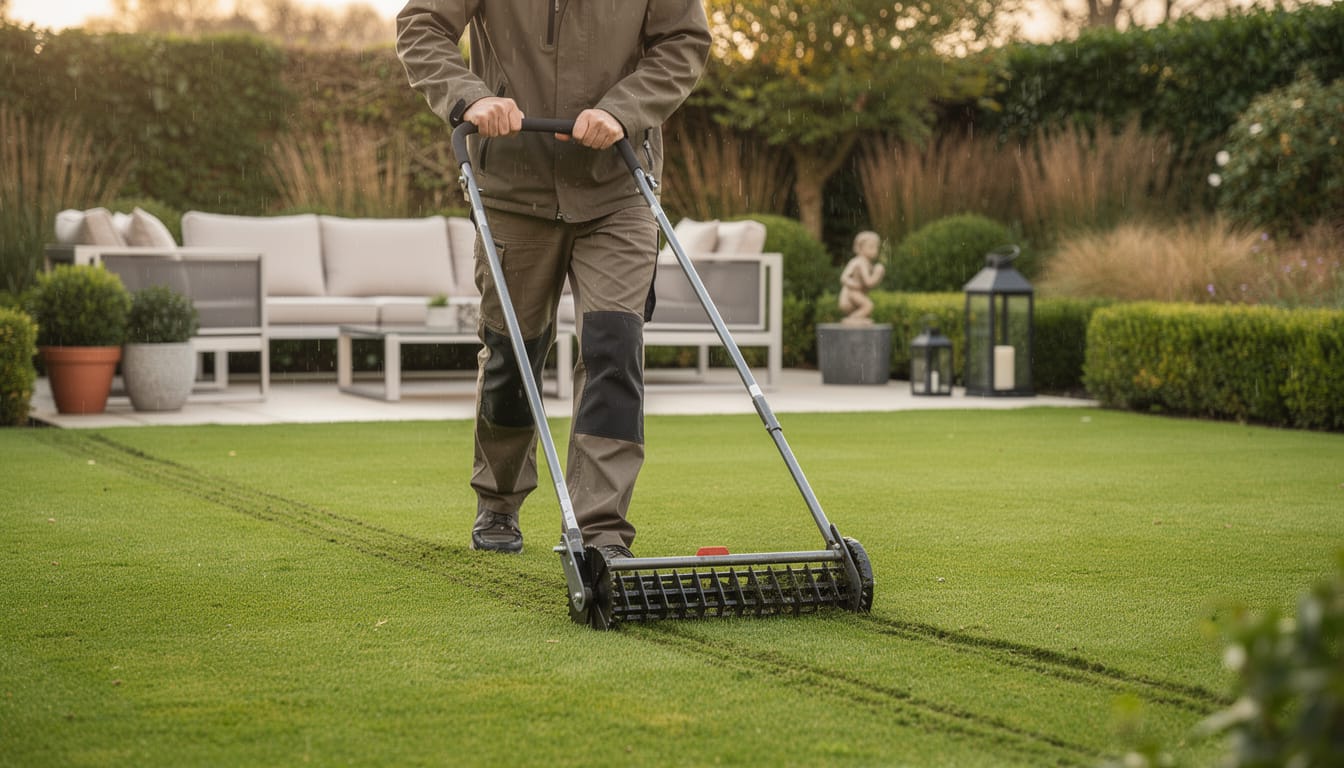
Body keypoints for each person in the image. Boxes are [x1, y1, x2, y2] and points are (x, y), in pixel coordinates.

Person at [395, 1, 711, 558]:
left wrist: (623, 108)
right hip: (514, 189)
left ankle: (601, 531)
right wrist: (471, 97)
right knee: (512, 351)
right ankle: (498, 498)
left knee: (614, 348)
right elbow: (421, 25)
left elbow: (683, 42)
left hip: (617, 185)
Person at [838, 231, 886, 324]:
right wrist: (878, 273)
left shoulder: (867, 264)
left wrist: (877, 274)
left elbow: (869, 283)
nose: (875, 250)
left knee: (867, 308)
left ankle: (855, 319)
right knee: (868, 306)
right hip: (852, 293)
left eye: (876, 247)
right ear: (860, 248)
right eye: (871, 247)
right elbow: (844, 277)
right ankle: (853, 319)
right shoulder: (858, 262)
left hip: (857, 293)